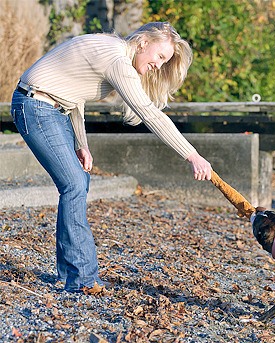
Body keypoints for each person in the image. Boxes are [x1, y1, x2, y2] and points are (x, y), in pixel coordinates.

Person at [10, 22, 212, 294]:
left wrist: (82, 143)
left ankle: (68, 273)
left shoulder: (112, 50)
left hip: (52, 108)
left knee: (78, 182)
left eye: (165, 62)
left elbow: (74, 94)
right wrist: (192, 155)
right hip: (35, 106)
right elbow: (149, 113)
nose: (159, 65)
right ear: (143, 42)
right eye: (160, 56)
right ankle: (82, 279)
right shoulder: (117, 59)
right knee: (74, 185)